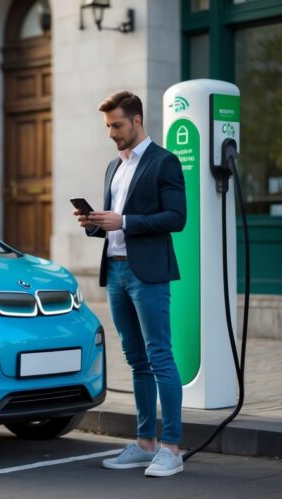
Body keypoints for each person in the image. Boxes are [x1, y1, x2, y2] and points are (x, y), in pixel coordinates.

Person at [74, 91, 187, 477]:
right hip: (117, 271)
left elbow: (176, 218)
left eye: (117, 125)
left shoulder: (164, 161)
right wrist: (94, 223)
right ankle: (145, 444)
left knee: (159, 356)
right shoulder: (113, 166)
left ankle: (171, 448)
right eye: (108, 126)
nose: (111, 133)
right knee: (136, 359)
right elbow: (113, 224)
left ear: (137, 120)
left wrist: (124, 221)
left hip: (148, 274)